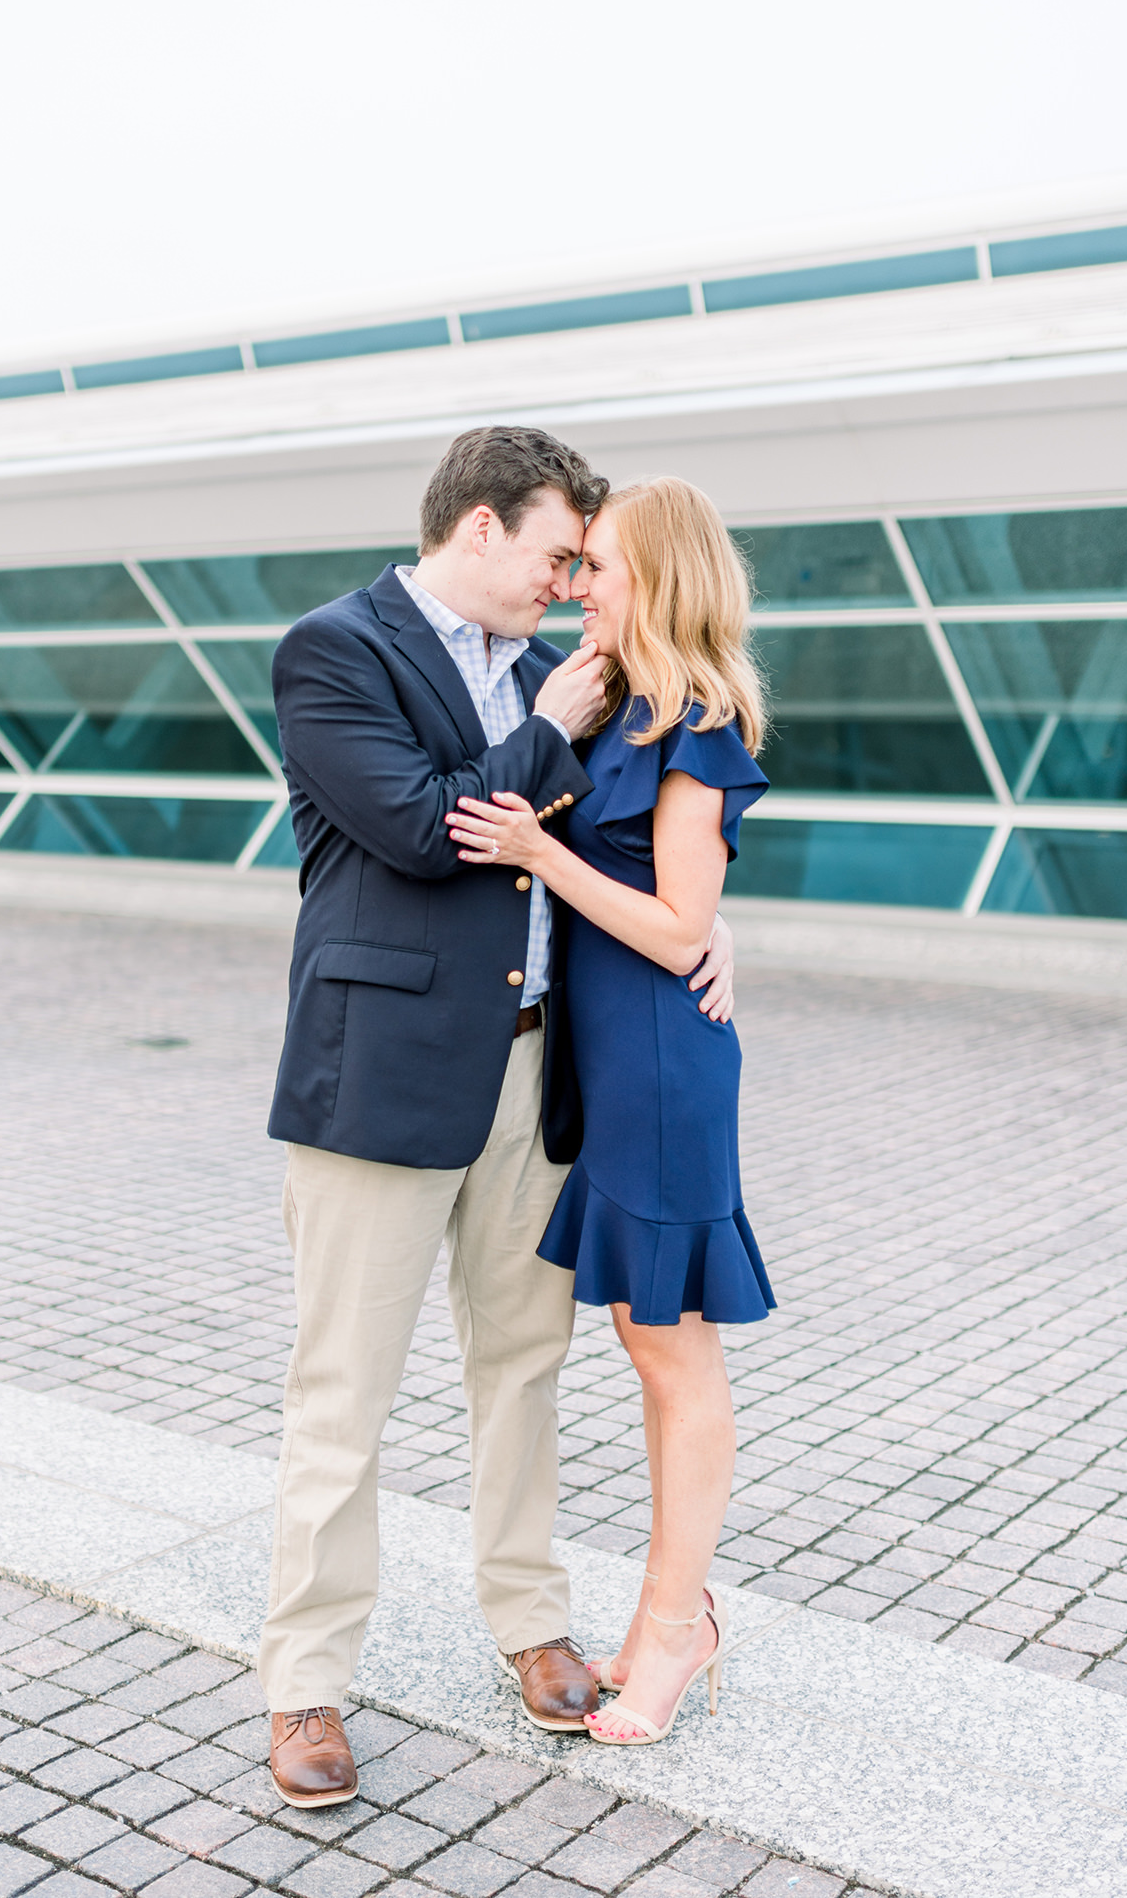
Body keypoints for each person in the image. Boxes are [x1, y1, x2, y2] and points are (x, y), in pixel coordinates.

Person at [260, 429, 738, 1807]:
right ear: (480, 528)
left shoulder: (547, 669)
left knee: (521, 1374)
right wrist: (556, 731)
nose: (566, 580)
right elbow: (425, 827)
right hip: (376, 1078)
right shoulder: (333, 649)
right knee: (340, 1396)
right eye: (554, 554)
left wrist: (713, 934)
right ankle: (304, 1688)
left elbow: (625, 856)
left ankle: (528, 1623)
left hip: (536, 1076)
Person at [448, 475, 775, 1748]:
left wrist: (544, 853)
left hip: (664, 1069)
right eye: (575, 564)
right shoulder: (610, 714)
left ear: (661, 576)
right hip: (606, 1065)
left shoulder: (697, 721)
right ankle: (672, 1614)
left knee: (673, 1353)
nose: (579, 583)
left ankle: (676, 1624)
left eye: (601, 566)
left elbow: (676, 922)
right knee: (649, 1351)